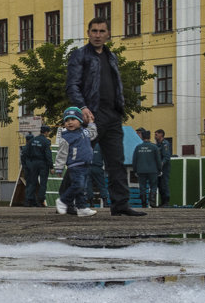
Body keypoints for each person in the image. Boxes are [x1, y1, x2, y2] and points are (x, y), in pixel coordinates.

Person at [65, 17, 145, 216]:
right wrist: (82, 107)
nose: (98, 35)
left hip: (113, 115)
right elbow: (72, 85)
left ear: (108, 34)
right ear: (88, 33)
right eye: (94, 31)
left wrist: (120, 107)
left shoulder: (111, 57)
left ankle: (120, 205)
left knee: (116, 161)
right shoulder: (80, 55)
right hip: (91, 115)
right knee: (81, 159)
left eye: (102, 31)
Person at [53, 106, 98, 217]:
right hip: (75, 165)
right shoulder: (66, 137)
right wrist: (59, 167)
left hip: (85, 164)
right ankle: (63, 201)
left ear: (80, 121)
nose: (69, 122)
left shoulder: (85, 132)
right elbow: (61, 154)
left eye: (73, 119)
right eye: (67, 120)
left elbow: (93, 134)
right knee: (78, 185)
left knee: (82, 188)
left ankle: (81, 207)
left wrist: (91, 123)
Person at [131, 127, 162, 210]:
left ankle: (143, 203)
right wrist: (160, 169)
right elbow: (158, 160)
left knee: (142, 187)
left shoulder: (138, 147)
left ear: (142, 137)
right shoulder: (154, 147)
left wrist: (135, 170)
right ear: (149, 137)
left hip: (141, 170)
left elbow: (134, 160)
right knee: (153, 186)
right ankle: (152, 202)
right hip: (153, 170)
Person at [22, 128, 52, 207]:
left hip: (33, 163)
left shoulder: (32, 141)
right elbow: (48, 155)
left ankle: (29, 200)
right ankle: (41, 200)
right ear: (46, 132)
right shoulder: (46, 141)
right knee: (43, 183)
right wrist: (51, 166)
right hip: (43, 163)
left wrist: (28, 164)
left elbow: (26, 153)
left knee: (32, 182)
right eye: (48, 132)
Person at [87, 143, 111, 208]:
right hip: (98, 168)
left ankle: (91, 203)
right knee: (101, 185)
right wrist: (107, 168)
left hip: (88, 168)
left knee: (88, 186)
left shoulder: (86, 145)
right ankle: (105, 202)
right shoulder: (100, 146)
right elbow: (105, 158)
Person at [154, 129, 172, 207]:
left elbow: (167, 157)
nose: (155, 136)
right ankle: (162, 202)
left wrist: (161, 163)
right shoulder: (157, 144)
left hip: (164, 168)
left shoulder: (165, 144)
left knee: (164, 184)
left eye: (156, 134)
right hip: (158, 168)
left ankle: (166, 202)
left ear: (161, 134)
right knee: (159, 185)